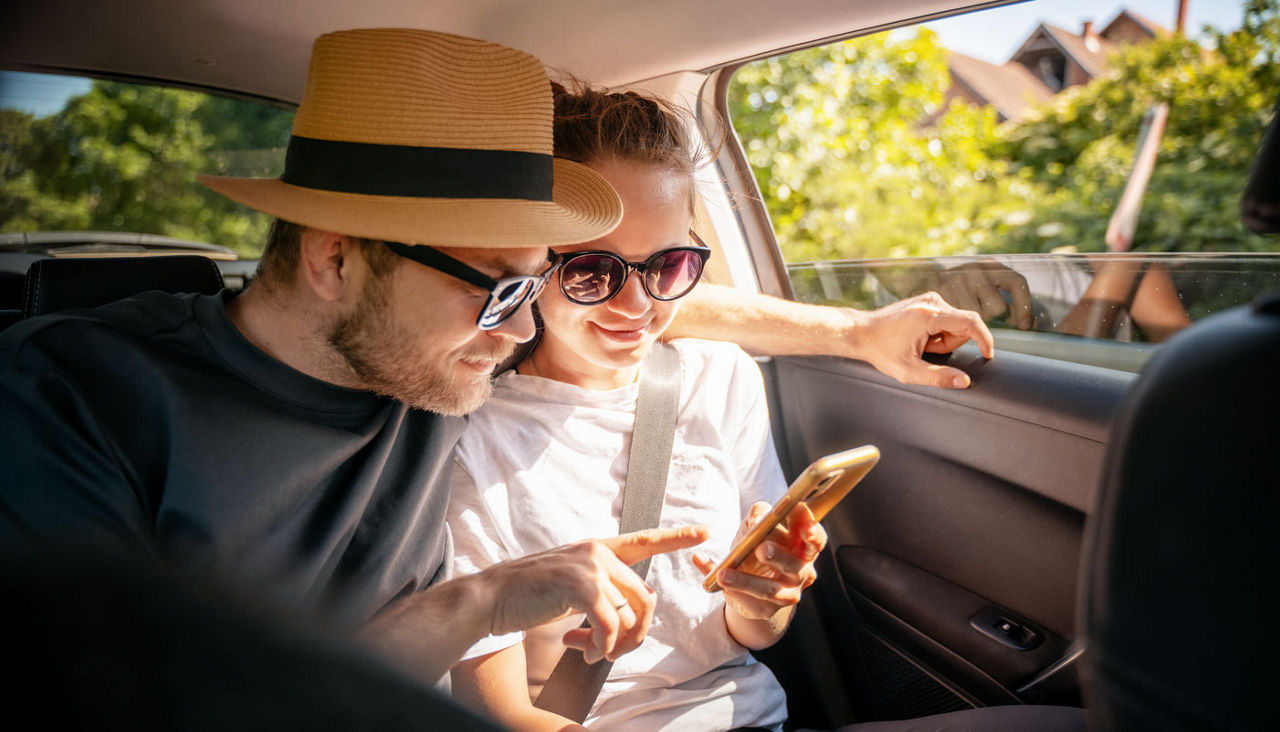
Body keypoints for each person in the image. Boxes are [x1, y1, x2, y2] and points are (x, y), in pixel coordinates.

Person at [0, 27, 994, 700]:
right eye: (502, 286)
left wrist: (850, 335)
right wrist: (484, 602)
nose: (526, 327)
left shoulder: (436, 371)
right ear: (335, 256)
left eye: (537, 282)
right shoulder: (74, 401)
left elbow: (655, 308)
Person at [446, 84, 1086, 731]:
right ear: (529, 262)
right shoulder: (471, 440)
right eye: (591, 271)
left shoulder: (720, 378)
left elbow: (755, 632)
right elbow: (491, 710)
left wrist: (763, 595)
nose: (636, 306)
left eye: (667, 268)